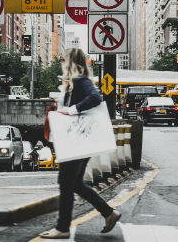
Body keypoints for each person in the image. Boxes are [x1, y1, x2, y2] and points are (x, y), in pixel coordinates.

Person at [39, 48, 121, 239]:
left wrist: (71, 110)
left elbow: (96, 98)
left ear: (69, 62)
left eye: (63, 61)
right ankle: (109, 213)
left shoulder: (80, 80)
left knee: (66, 182)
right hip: (79, 141)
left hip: (76, 142)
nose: (61, 64)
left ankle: (62, 228)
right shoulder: (74, 83)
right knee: (75, 183)